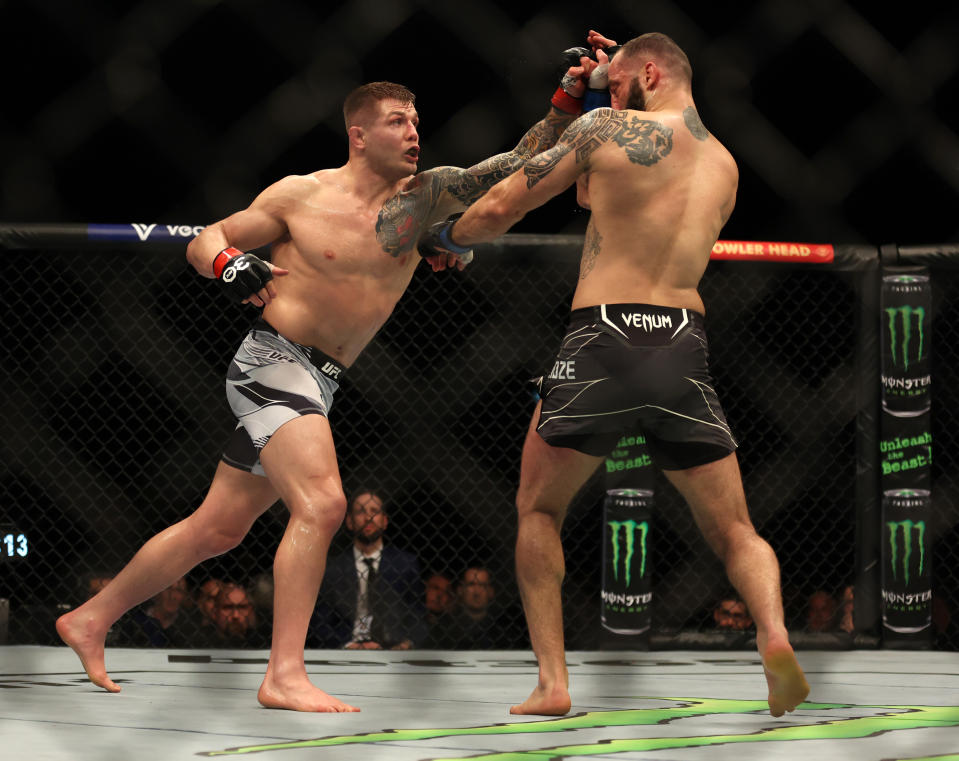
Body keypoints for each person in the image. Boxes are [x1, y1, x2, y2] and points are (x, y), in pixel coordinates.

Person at [55, 65, 584, 711]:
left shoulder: (426, 197)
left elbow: (517, 163)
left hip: (322, 380)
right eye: (398, 121)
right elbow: (206, 240)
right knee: (324, 504)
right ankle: (283, 673)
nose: (414, 131)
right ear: (358, 134)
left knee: (217, 528)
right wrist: (230, 263)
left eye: (417, 121)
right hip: (271, 364)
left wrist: (567, 99)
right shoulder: (299, 196)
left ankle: (88, 617)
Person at [418, 30, 810, 718]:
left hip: (603, 335)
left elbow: (505, 203)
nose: (611, 90)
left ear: (649, 73)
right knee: (735, 529)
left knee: (538, 507)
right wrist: (605, 83)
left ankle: (552, 682)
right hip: (682, 344)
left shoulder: (604, 126)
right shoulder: (723, 163)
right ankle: (775, 638)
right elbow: (603, 197)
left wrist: (449, 237)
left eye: (621, 80)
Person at [310, 488, 426, 649]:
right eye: (360, 511)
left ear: (385, 521)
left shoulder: (405, 564)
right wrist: (346, 645)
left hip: (393, 646)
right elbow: (320, 620)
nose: (368, 517)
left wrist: (405, 644)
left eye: (374, 511)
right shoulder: (334, 568)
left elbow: (418, 615)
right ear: (349, 521)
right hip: (348, 646)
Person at [194, 582, 265, 648]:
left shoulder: (261, 642)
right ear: (214, 612)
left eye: (242, 607)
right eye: (228, 608)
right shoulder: (199, 643)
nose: (235, 615)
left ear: (250, 611)